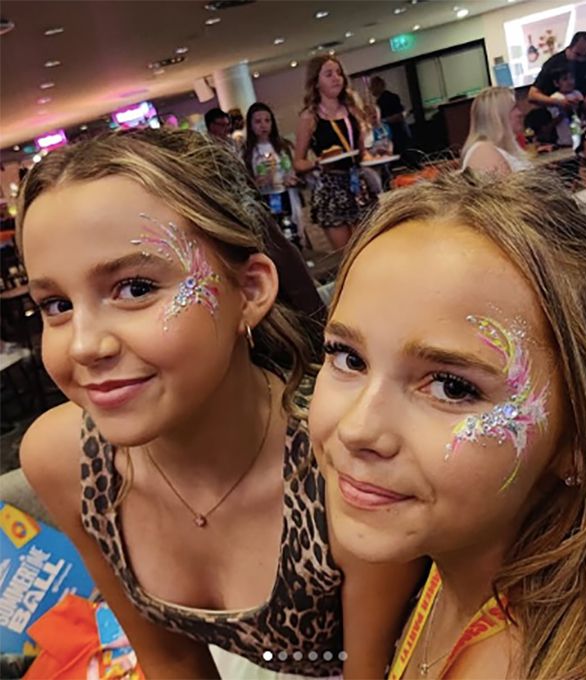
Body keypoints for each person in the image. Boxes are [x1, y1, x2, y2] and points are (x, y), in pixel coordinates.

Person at [16, 128, 423, 679]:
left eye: (135, 288)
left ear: (250, 291)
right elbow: (169, 659)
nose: (85, 346)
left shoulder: (348, 465)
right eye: (56, 305)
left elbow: (369, 671)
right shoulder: (65, 461)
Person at [309, 169, 586, 679]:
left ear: (585, 433)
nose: (357, 430)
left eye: (451, 387)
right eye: (348, 358)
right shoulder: (448, 551)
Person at [294, 54, 372, 251]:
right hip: (331, 188)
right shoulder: (309, 117)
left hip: (357, 185)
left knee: (368, 246)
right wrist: (318, 163)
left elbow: (362, 152)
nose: (336, 78)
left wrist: (372, 157)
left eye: (338, 73)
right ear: (316, 82)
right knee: (347, 253)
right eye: (328, 74)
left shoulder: (352, 110)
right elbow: (298, 162)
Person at [244, 102, 303, 248]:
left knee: (292, 232)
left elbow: (294, 170)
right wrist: (256, 183)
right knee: (274, 236)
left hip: (286, 195)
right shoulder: (247, 152)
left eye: (267, 120)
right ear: (250, 125)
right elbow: (244, 183)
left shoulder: (283, 146)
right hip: (265, 199)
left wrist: (292, 178)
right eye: (258, 121)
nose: (263, 125)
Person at [460, 86, 531, 175]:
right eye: (514, 108)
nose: (520, 113)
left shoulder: (504, 146)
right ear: (497, 116)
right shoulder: (483, 152)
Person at [528, 31, 586, 110]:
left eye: (585, 56)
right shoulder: (553, 64)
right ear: (570, 48)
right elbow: (532, 95)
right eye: (577, 54)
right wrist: (557, 102)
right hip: (556, 110)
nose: (581, 59)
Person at [368, 76, 412, 155]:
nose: (370, 89)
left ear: (379, 85)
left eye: (372, 86)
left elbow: (399, 115)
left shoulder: (388, 98)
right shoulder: (382, 100)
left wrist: (382, 121)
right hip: (394, 133)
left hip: (396, 133)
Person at [547, 67, 583, 147]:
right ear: (556, 83)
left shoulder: (577, 93)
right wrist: (565, 111)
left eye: (571, 78)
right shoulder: (554, 98)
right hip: (565, 141)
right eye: (565, 79)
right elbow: (553, 123)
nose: (570, 82)